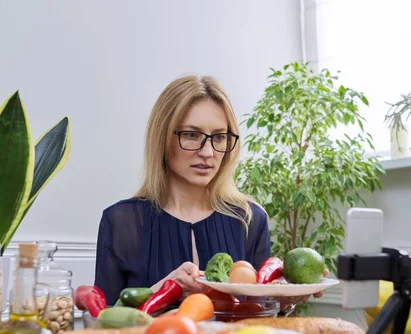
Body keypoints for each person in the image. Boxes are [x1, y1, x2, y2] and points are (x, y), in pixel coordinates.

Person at [94, 74, 324, 309]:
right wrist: (163, 289)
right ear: (162, 138)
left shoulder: (249, 219)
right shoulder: (121, 223)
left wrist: (284, 301)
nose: (207, 152)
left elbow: (261, 319)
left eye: (219, 137)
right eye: (192, 135)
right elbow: (101, 326)